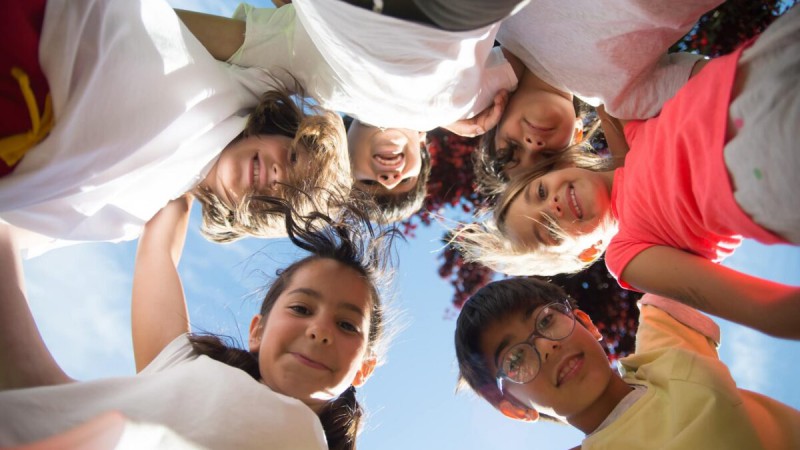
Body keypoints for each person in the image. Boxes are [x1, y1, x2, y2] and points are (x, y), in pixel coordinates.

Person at [456, 7, 800, 338]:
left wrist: (464, 98)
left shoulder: (628, 121)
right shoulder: (627, 254)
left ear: (562, 166)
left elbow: (581, 62)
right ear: (587, 253)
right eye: (547, 231)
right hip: (763, 168)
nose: (553, 208)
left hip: (764, 64)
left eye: (541, 193)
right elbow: (762, 308)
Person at [0, 192, 397, 450]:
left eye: (347, 325)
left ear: (364, 368)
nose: (319, 330)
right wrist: (195, 170)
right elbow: (157, 248)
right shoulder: (186, 365)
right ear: (257, 330)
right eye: (301, 308)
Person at [0, 0, 349, 254]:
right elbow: (319, 50)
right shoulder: (249, 83)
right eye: (290, 158)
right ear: (279, 131)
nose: (276, 176)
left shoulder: (135, 220)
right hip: (35, 25)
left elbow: (13, 239)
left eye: (284, 197)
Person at [176, 0, 522, 221]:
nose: (388, 177)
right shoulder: (463, 107)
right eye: (405, 180)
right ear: (423, 147)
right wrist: (432, 113)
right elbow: (533, 65)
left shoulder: (299, 74)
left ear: (335, 165)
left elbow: (168, 33)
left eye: (368, 182)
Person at [454, 277, 800, 448]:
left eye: (545, 320)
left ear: (586, 323)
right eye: (514, 358)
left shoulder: (664, 348)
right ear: (513, 407)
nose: (545, 346)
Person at [471, 0, 725, 194]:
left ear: (497, 112)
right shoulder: (625, 98)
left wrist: (451, 114)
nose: (533, 145)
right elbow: (726, 82)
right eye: (547, 158)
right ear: (577, 136)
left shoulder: (502, 22)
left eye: (513, 146)